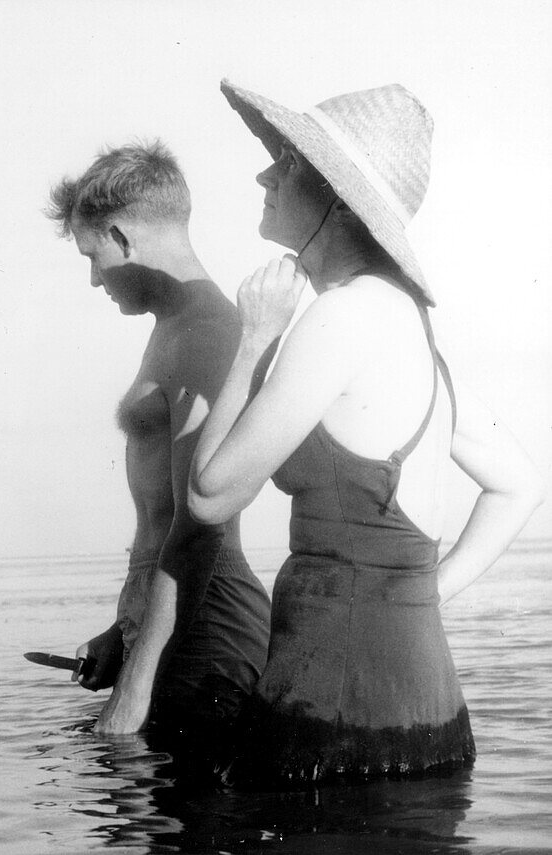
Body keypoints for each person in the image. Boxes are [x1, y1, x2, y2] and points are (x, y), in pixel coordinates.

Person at [188, 80, 545, 787]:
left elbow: (209, 496)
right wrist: (428, 592)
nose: (265, 173)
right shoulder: (408, 329)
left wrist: (254, 339)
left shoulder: (342, 319)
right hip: (428, 711)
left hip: (333, 719)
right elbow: (520, 482)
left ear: (337, 200)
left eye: (285, 161)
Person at [46, 142, 271, 763]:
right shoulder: (172, 327)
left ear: (122, 236)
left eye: (92, 256)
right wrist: (124, 633)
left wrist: (133, 690)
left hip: (209, 626)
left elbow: (198, 526)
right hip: (176, 624)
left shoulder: (205, 333)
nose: (94, 278)